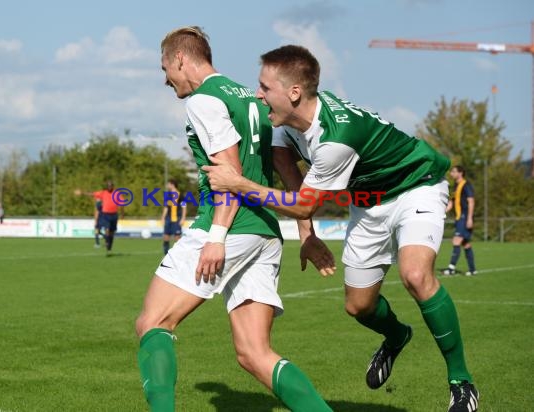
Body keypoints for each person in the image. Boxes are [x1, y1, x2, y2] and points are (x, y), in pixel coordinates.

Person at [203, 45, 479, 412]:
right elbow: (295, 185)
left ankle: (461, 382)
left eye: (265, 87)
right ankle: (397, 335)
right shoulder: (285, 125)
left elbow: (303, 203)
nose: (258, 94)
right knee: (358, 307)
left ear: (294, 93)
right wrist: (308, 236)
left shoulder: (335, 140)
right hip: (367, 204)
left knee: (415, 275)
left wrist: (237, 184)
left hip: (417, 185)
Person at [135, 27, 332, 412]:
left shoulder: (203, 100)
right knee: (254, 354)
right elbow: (285, 167)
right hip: (265, 232)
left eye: (165, 68)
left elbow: (228, 170)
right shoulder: (254, 99)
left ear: (179, 59)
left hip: (229, 226)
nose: (165, 79)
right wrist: (306, 231)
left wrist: (217, 235)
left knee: (152, 323)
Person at [442, 165, 477, 276]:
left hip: (465, 217)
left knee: (456, 240)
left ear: (460, 173)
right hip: (459, 218)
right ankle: (472, 270)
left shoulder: (466, 185)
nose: (451, 174)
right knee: (465, 243)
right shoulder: (455, 186)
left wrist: (470, 218)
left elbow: (471, 201)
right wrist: (442, 212)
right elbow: (451, 203)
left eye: (453, 172)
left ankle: (451, 268)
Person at [76, 181, 123, 254]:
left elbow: (122, 203)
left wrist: (122, 213)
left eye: (111, 186)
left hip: (114, 215)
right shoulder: (103, 193)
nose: (109, 187)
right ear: (107, 187)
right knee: (107, 229)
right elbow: (92, 194)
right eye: (108, 186)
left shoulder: (117, 194)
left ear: (113, 186)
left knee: (112, 233)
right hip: (106, 214)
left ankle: (109, 247)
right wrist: (82, 193)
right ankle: (107, 242)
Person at [160, 178, 186, 255]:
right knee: (165, 237)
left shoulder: (180, 195)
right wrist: (163, 217)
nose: (167, 185)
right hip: (168, 219)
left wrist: (183, 218)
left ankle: (179, 255)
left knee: (177, 238)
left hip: (177, 219)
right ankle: (166, 256)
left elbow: (184, 206)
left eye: (168, 184)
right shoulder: (167, 195)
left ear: (172, 184)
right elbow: (166, 207)